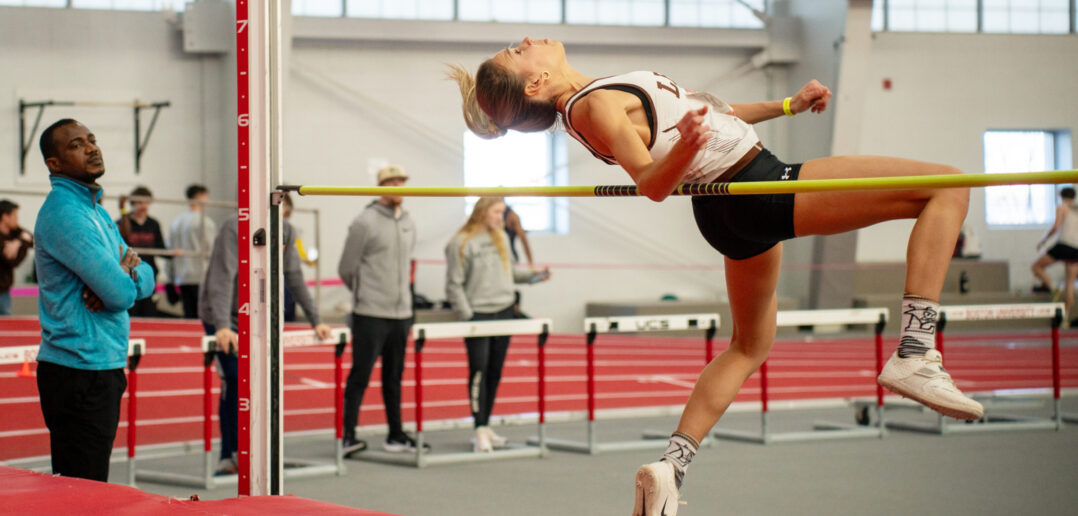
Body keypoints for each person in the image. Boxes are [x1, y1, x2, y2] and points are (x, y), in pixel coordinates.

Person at [450, 37, 980, 514]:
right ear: (537, 82)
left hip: (726, 209)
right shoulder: (595, 104)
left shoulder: (595, 95)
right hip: (755, 185)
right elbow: (652, 183)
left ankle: (671, 466)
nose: (525, 42)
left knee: (749, 346)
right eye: (517, 53)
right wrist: (686, 145)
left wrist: (788, 106)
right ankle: (914, 352)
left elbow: (710, 112)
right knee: (947, 185)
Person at [33, 118, 155, 481]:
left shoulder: (97, 213)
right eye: (76, 145)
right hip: (78, 372)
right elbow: (118, 295)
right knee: (82, 493)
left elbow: (148, 277)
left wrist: (123, 274)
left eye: (92, 139)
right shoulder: (66, 214)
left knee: (89, 488)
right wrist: (119, 281)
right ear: (53, 164)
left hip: (100, 366)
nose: (91, 148)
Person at [198, 213, 332, 474]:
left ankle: (258, 452)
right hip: (224, 314)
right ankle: (230, 454)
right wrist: (223, 325)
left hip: (261, 316)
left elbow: (294, 276)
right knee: (235, 380)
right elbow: (222, 277)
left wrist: (316, 319)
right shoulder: (233, 228)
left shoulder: (286, 230)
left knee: (264, 383)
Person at [444, 197, 550, 452]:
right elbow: (453, 284)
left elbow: (510, 273)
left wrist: (535, 276)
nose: (501, 218)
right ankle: (479, 427)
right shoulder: (460, 242)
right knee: (478, 371)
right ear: (482, 212)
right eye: (496, 212)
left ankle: (486, 425)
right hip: (478, 314)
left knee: (495, 370)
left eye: (503, 213)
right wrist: (467, 315)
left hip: (504, 311)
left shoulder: (501, 237)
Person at [338, 165, 427, 456]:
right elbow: (347, 268)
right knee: (360, 374)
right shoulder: (364, 222)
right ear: (380, 186)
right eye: (392, 181)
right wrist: (366, 294)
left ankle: (396, 434)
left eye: (401, 180)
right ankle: (348, 436)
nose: (398, 185)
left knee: (394, 376)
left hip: (401, 313)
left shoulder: (409, 222)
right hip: (371, 312)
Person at [116, 186, 168, 317]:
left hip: (149, 273)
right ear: (133, 203)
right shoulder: (123, 222)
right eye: (139, 202)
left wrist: (173, 254)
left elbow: (160, 248)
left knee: (149, 311)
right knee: (131, 309)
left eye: (146, 202)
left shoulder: (153, 224)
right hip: (130, 271)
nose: (143, 206)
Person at [169, 184, 216, 318]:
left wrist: (170, 279)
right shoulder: (206, 222)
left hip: (182, 276)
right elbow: (211, 250)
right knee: (202, 317)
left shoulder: (176, 222)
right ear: (200, 197)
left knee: (188, 315)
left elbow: (170, 250)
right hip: (201, 275)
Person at [1032, 187, 1078, 323]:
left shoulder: (1062, 207)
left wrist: (1043, 240)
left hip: (1064, 245)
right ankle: (1065, 318)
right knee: (1070, 284)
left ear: (1061, 196)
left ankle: (1054, 288)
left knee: (1036, 267)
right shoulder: (1076, 209)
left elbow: (1056, 226)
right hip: (1076, 249)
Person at [0, 199, 34, 315]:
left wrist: (17, 243)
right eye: (14, 215)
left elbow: (32, 239)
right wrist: (22, 242)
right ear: (5, 217)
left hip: (4, 292)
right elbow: (10, 260)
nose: (17, 219)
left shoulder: (15, 232)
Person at [503, 203, 534, 318]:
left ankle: (512, 309)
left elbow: (523, 239)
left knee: (508, 284)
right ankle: (513, 308)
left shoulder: (512, 216)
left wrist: (531, 264)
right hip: (495, 258)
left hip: (508, 257)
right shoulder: (487, 215)